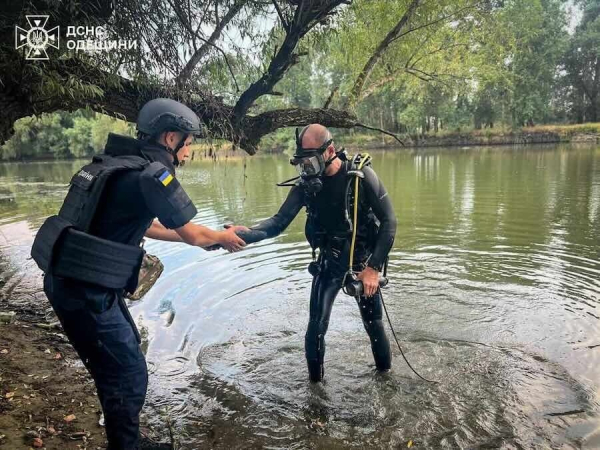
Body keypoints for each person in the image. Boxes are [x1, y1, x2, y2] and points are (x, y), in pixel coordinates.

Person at [31, 98, 246, 449]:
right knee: (128, 373)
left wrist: (206, 240)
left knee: (122, 358)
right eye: (189, 142)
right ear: (170, 137)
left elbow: (147, 226)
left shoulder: (119, 166)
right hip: (85, 291)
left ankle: (127, 440)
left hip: (77, 281)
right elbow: (191, 232)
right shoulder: (153, 175)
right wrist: (221, 236)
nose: (190, 150)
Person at [234, 124, 397, 382]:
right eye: (301, 162)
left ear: (329, 150)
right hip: (329, 263)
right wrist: (244, 234)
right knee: (315, 328)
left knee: (374, 326)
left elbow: (389, 222)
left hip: (363, 263)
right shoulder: (306, 186)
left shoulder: (360, 177)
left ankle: (385, 380)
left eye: (310, 161)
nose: (305, 169)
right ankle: (315, 390)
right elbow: (278, 222)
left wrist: (373, 269)